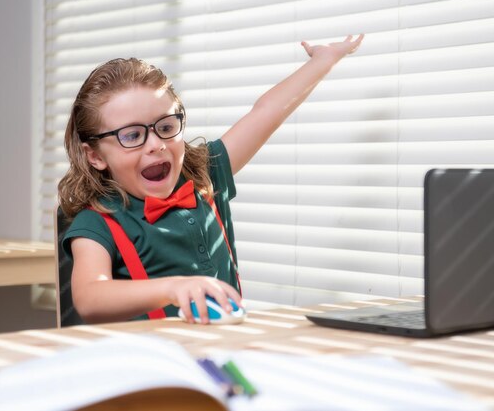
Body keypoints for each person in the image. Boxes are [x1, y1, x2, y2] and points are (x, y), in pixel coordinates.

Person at [58, 34, 364, 325]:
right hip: (159, 365)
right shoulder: (98, 220)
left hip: (225, 348)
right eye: (132, 135)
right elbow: (90, 297)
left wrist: (324, 59)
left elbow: (266, 111)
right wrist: (173, 288)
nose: (155, 144)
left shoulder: (205, 176)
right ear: (95, 156)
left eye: (166, 126)